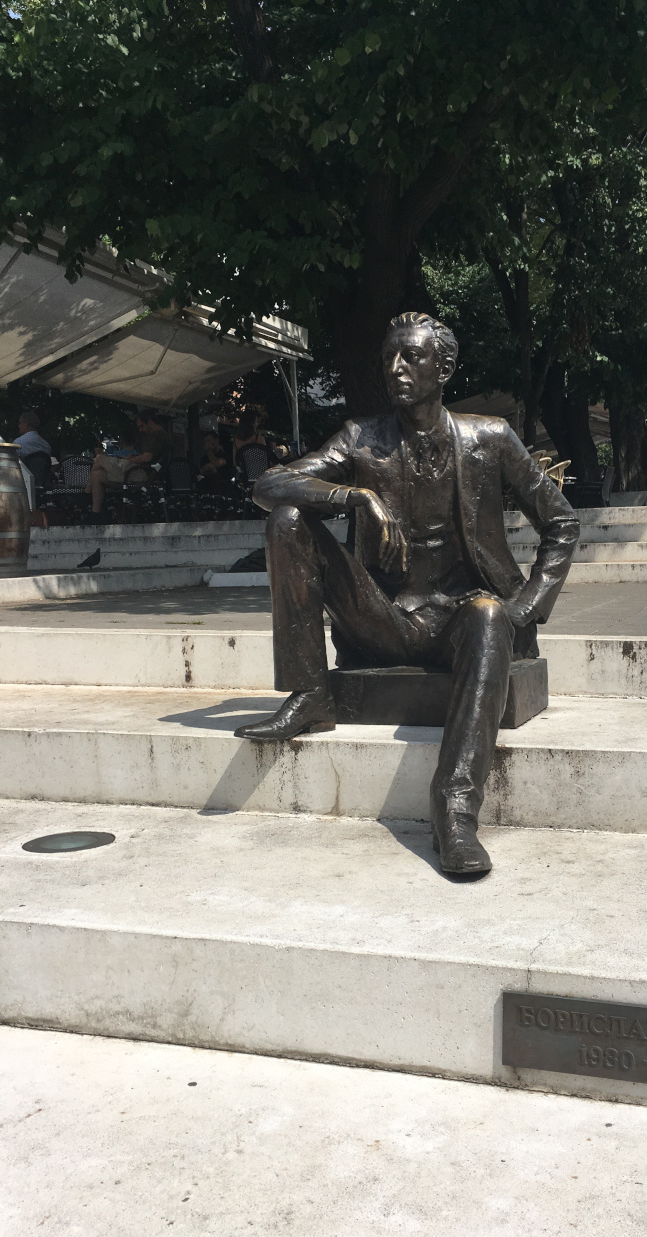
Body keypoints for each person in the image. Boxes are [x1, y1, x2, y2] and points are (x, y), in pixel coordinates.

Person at [235, 312, 578, 876]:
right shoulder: (360, 438)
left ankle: (455, 810)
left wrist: (524, 611)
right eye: (390, 356)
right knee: (289, 520)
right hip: (383, 618)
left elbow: (561, 524)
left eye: (411, 357)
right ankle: (310, 694)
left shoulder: (490, 438)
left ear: (443, 368)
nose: (395, 367)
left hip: (464, 622)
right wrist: (354, 498)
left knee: (487, 613)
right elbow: (268, 484)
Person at [85, 407, 171, 521]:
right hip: (140, 473)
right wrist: (133, 458)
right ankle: (95, 515)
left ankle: (85, 495)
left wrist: (129, 460)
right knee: (97, 474)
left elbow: (146, 458)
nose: (140, 430)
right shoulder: (161, 436)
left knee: (99, 458)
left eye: (141, 426)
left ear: (149, 422)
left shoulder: (158, 436)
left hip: (141, 474)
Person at [233, 406, 288, 474]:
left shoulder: (236, 441)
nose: (257, 424)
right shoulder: (259, 439)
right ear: (252, 424)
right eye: (256, 422)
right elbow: (265, 461)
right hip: (262, 477)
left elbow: (236, 463)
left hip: (245, 477)